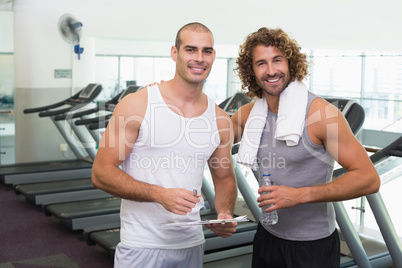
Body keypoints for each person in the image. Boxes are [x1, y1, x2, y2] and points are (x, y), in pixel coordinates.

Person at [91, 22, 238, 268]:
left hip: (191, 244)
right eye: (190, 49)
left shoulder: (220, 119)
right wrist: (159, 195)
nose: (199, 58)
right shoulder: (137, 105)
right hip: (142, 245)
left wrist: (224, 212)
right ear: (174, 53)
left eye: (207, 51)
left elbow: (224, 178)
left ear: (213, 56)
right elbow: (101, 173)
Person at [231, 27, 380, 268]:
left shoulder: (322, 116)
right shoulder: (250, 114)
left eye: (277, 60)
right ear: (251, 71)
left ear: (291, 63)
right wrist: (172, 92)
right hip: (267, 237)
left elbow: (369, 178)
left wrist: (301, 195)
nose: (270, 71)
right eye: (261, 63)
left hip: (312, 245)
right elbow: (211, 139)